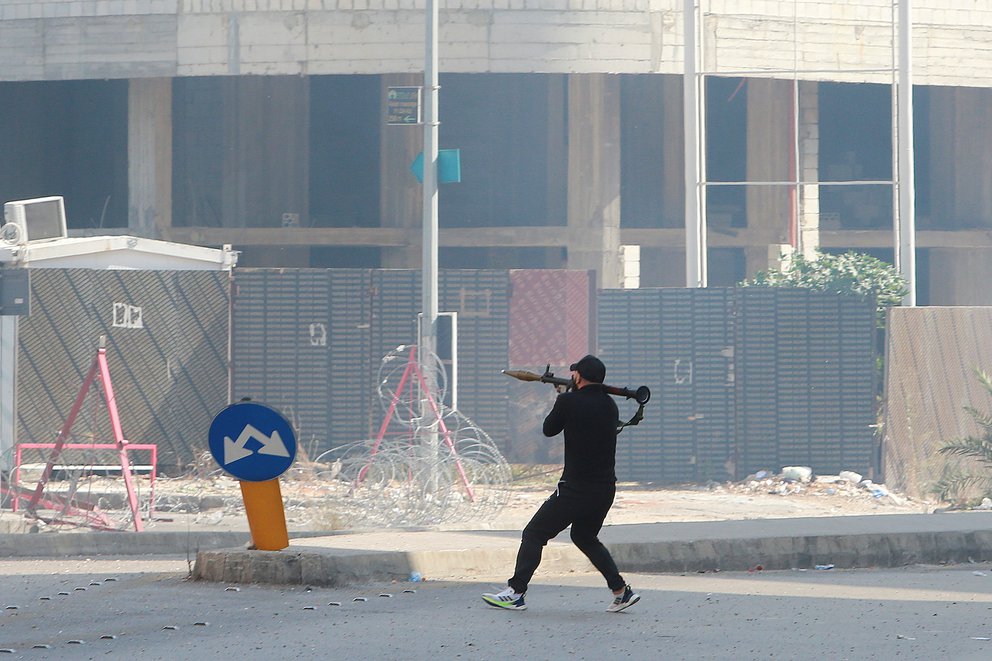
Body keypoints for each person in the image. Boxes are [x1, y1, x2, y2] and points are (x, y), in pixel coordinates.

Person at [482, 354, 640, 613]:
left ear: (578, 376)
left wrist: (562, 397)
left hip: (577, 489)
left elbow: (549, 429)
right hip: (605, 488)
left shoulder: (568, 401)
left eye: (575, 373)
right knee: (584, 536)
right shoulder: (610, 405)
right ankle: (621, 591)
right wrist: (567, 397)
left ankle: (516, 592)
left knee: (534, 534)